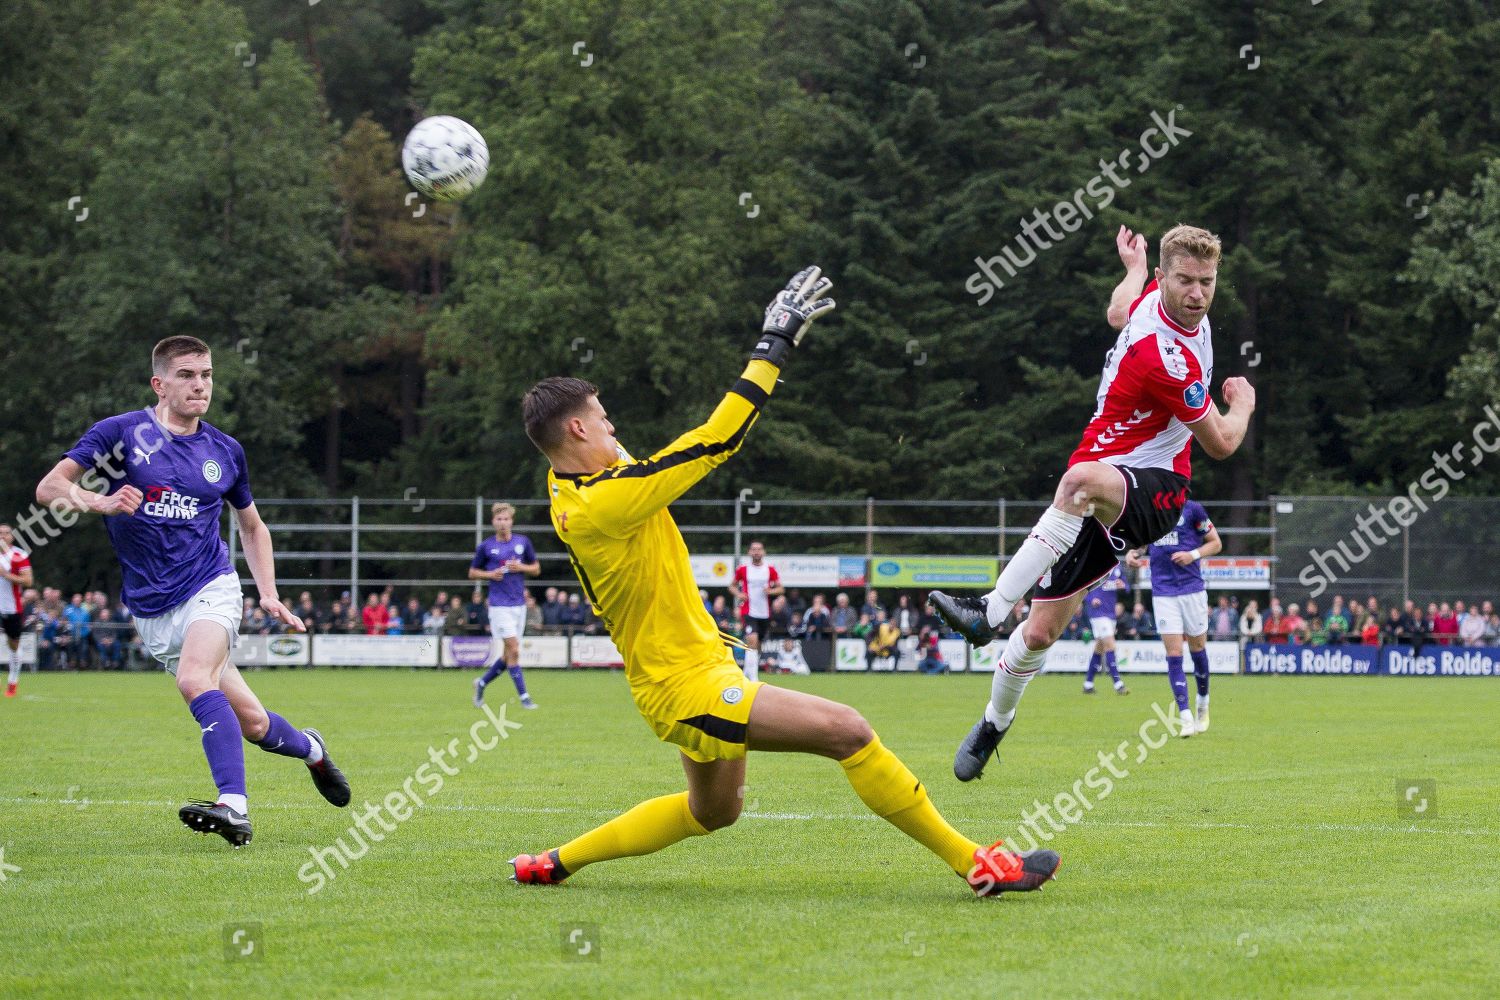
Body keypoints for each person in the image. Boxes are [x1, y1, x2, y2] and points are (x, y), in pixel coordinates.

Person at [507, 268, 1056, 896]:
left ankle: (554, 862)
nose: (614, 429)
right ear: (576, 430)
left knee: (713, 811)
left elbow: (686, 450)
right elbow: (716, 441)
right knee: (847, 729)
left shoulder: (574, 484)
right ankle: (978, 866)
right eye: (603, 420)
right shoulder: (602, 501)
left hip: (695, 670)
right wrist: (775, 342)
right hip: (684, 687)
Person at [929, 225, 1253, 778]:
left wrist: (1243, 404)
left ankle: (987, 610)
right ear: (1162, 278)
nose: (1198, 294)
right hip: (1108, 484)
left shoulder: (1169, 355)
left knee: (1077, 482)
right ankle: (993, 724)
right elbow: (1117, 313)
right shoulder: (1152, 312)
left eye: (1207, 282)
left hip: (1156, 487)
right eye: (1186, 281)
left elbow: (1221, 443)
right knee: (1038, 634)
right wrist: (1130, 269)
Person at [34, 335, 348, 847]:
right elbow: (49, 488)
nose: (199, 384)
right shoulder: (119, 434)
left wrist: (267, 593)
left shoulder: (225, 451)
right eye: (186, 375)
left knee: (193, 678)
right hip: (152, 610)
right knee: (253, 723)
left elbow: (252, 527)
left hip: (212, 587)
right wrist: (101, 502)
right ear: (159, 383)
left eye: (206, 374)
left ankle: (234, 807)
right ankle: (312, 749)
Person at [1128, 499, 1222, 735]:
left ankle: (1202, 703)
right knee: (1173, 653)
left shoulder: (1193, 510)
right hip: (1163, 593)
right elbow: (1141, 544)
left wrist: (1192, 554)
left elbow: (1215, 543)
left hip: (1192, 590)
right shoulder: (1150, 510)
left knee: (1198, 649)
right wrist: (1133, 553)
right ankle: (1185, 716)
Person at [470, 502, 541, 710]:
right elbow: (473, 572)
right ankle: (525, 698)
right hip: (498, 605)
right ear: (493, 522)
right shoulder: (486, 546)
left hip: (518, 605)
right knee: (514, 649)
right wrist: (490, 574)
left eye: (506, 519)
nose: (502, 523)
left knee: (508, 654)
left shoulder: (522, 542)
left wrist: (521, 567)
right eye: (499, 519)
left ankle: (482, 683)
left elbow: (536, 569)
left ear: (511, 521)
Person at [728, 540, 783, 682]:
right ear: (749, 552)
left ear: (763, 552)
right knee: (752, 640)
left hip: (764, 612)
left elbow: (780, 588)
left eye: (759, 549)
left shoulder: (770, 570)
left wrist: (770, 591)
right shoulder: (743, 569)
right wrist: (739, 594)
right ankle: (753, 677)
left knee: (758, 644)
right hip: (748, 610)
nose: (756, 552)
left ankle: (747, 670)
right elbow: (732, 586)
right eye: (754, 549)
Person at [1081, 562, 1128, 695]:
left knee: (1099, 648)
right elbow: (1083, 588)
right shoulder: (1095, 565)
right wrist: (1091, 599)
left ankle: (1088, 684)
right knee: (1110, 645)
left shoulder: (1117, 567)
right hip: (1098, 613)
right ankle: (1118, 684)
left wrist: (1123, 585)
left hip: (1111, 613)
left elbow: (1127, 586)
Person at [0, 525, 35, 696]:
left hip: (11, 608)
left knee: (13, 645)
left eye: (6, 533)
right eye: (0, 533)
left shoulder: (18, 555)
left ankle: (13, 681)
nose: (3, 536)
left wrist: (5, 575)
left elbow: (28, 581)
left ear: (11, 537)